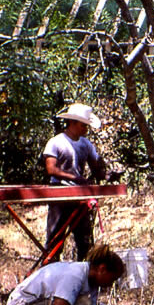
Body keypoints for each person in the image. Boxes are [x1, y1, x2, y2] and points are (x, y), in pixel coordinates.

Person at [42, 103, 108, 261]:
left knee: (85, 240)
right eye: (83, 125)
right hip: (59, 194)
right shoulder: (56, 142)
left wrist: (105, 172)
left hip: (80, 196)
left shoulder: (86, 144)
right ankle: (49, 275)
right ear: (71, 123)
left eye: (87, 126)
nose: (85, 129)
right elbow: (51, 169)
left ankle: (83, 277)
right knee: (54, 240)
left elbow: (97, 167)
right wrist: (75, 178)